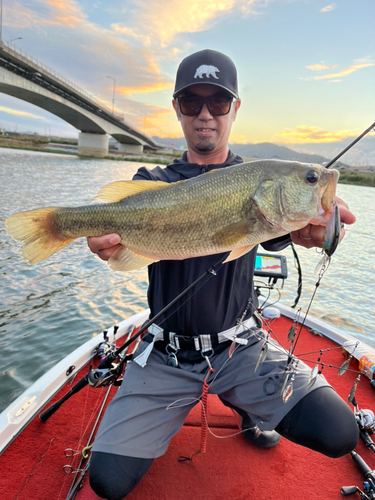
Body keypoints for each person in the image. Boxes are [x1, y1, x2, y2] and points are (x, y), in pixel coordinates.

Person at [88, 49, 358, 500]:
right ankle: (191, 400)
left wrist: (317, 232)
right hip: (165, 352)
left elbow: (289, 235)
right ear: (177, 108)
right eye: (192, 102)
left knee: (338, 432)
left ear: (235, 108)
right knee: (108, 483)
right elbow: (118, 247)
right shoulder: (151, 178)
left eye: (218, 101)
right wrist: (106, 246)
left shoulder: (256, 185)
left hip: (242, 346)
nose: (206, 114)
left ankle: (242, 398)